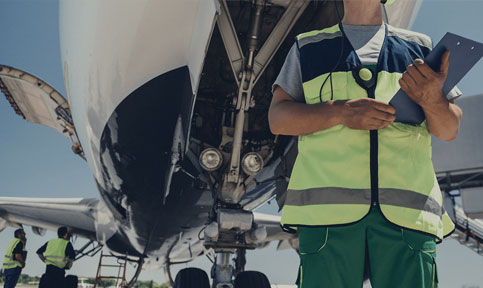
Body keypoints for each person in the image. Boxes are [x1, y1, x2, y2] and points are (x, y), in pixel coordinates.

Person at [268, 0, 463, 287]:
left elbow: (449, 129)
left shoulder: (420, 48)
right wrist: (340, 111)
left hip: (408, 219)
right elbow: (278, 118)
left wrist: (433, 99)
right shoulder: (306, 48)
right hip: (327, 219)